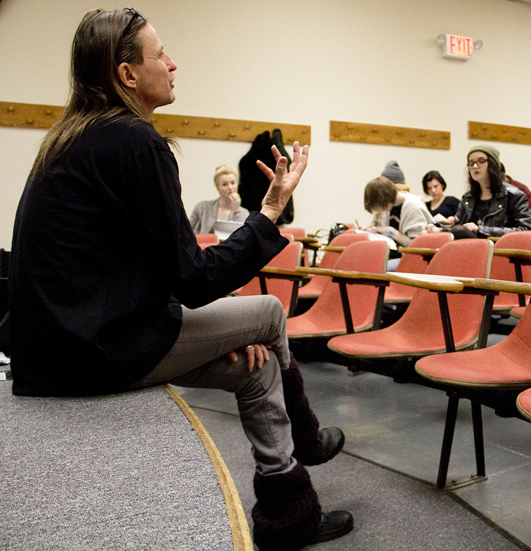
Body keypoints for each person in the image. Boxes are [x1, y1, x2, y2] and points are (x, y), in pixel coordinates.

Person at [8, 9, 351, 550]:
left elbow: (137, 266)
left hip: (51, 348)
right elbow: (191, 279)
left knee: (253, 370)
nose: (173, 64)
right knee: (268, 315)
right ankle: (307, 437)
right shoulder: (135, 142)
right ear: (127, 75)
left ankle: (291, 516)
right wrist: (269, 213)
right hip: (94, 350)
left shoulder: (71, 138)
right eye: (160, 55)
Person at [428, 145, 531, 239]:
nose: (475, 166)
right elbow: (456, 227)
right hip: (468, 248)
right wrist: (437, 229)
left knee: (460, 231)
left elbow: (526, 230)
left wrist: (480, 229)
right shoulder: (468, 198)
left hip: (500, 250)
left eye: (481, 161)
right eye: (471, 163)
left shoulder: (514, 195)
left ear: (493, 164)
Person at [362, 176, 433, 260]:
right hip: (395, 255)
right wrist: (373, 230)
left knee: (374, 268)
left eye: (377, 206)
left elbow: (415, 245)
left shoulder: (413, 206)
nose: (378, 209)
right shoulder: (389, 207)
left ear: (384, 198)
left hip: (414, 258)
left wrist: (390, 231)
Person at [189, 164, 249, 234]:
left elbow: (242, 236)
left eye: (233, 183)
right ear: (217, 187)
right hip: (206, 244)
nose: (230, 187)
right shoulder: (202, 207)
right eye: (224, 184)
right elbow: (187, 232)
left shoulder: (244, 213)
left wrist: (236, 210)